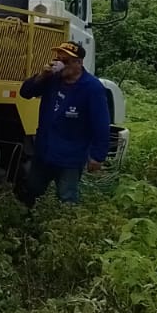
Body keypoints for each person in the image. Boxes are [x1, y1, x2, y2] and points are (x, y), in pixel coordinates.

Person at [18, 39, 110, 206]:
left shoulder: (92, 88)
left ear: (78, 63)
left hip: (70, 156)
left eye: (65, 61)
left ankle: (65, 227)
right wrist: (41, 76)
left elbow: (101, 124)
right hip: (44, 151)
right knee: (31, 191)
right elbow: (25, 92)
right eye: (57, 59)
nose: (60, 64)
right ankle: (28, 225)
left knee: (66, 197)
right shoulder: (52, 80)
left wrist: (97, 156)